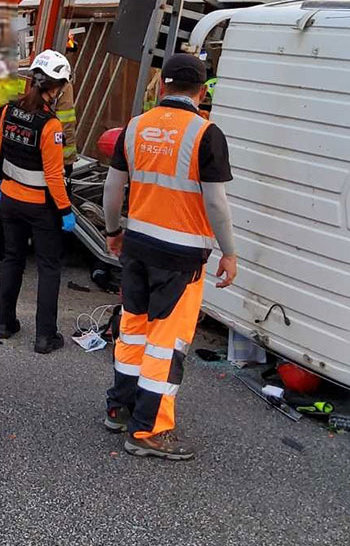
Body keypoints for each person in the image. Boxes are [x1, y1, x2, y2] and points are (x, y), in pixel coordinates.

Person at [100, 53, 238, 461]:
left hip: (138, 246)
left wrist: (113, 232)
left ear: (162, 86)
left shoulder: (134, 127)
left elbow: (113, 187)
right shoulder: (206, 134)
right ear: (201, 90)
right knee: (165, 344)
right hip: (180, 257)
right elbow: (216, 201)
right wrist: (229, 252)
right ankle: (148, 430)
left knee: (134, 330)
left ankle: (119, 408)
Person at [0, 50, 77, 354]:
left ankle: (4, 323)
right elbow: (54, 175)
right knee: (49, 268)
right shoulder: (50, 126)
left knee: (12, 258)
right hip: (41, 208)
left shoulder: (10, 110)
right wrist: (65, 210)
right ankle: (45, 337)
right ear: (57, 87)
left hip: (10, 201)